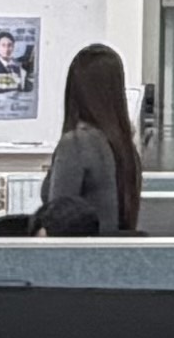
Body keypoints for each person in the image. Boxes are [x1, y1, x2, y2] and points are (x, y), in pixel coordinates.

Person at [36, 42, 140, 238]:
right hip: (112, 254)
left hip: (78, 254)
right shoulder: (126, 148)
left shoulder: (76, 143)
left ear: (74, 90)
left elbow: (57, 222)